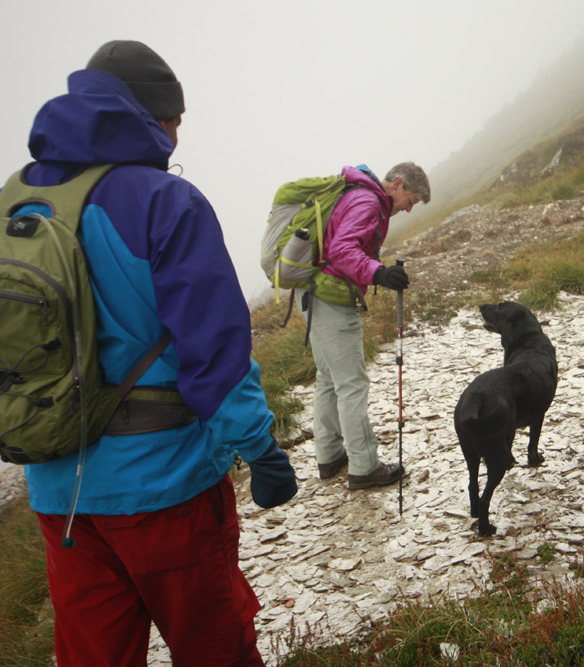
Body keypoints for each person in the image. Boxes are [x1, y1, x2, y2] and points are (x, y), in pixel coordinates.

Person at [9, 41, 297, 665]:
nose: (175, 135)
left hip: (59, 494)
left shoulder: (19, 203)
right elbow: (214, 355)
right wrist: (260, 448)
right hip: (166, 490)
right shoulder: (166, 202)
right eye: (176, 120)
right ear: (151, 115)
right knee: (214, 647)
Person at [308, 162, 430, 489]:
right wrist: (379, 274)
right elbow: (342, 250)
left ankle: (330, 456)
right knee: (352, 383)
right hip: (332, 298)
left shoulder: (359, 195)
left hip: (314, 294)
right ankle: (364, 467)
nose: (407, 208)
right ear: (399, 184)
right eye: (411, 200)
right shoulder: (368, 202)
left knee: (328, 379)